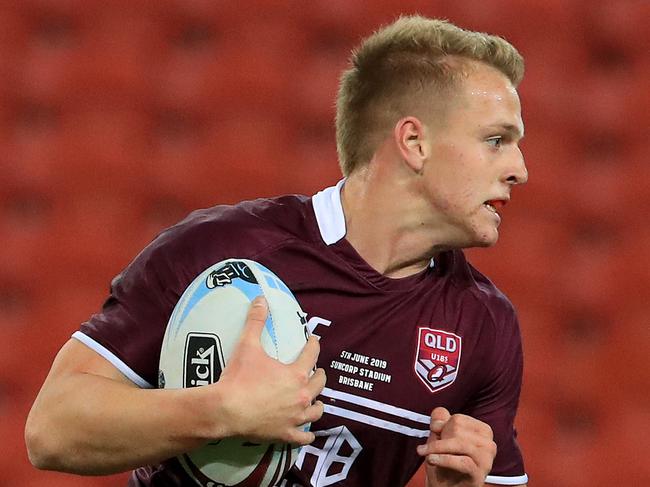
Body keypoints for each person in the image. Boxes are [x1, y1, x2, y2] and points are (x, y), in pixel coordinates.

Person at [25, 15, 529, 487]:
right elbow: (52, 430)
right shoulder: (223, 249)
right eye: (495, 139)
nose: (520, 169)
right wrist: (219, 412)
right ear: (414, 142)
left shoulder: (484, 324)